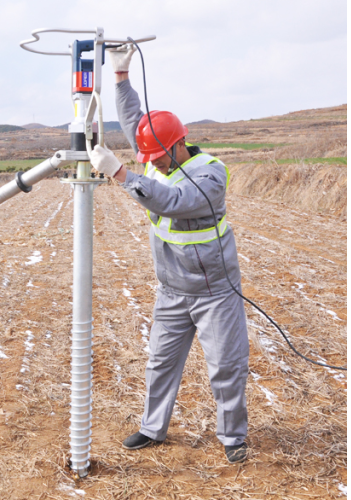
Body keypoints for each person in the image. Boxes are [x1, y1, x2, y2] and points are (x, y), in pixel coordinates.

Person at [89, 45, 250, 464]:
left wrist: (122, 174)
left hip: (215, 291)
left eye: (156, 157)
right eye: (148, 161)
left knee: (226, 368)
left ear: (178, 145)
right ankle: (152, 428)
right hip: (173, 290)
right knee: (160, 363)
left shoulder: (210, 175)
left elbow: (173, 202)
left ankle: (233, 436)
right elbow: (134, 124)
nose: (152, 164)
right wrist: (121, 77)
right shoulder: (161, 158)